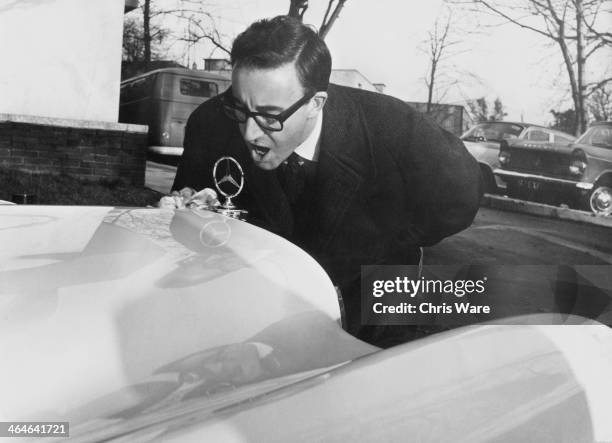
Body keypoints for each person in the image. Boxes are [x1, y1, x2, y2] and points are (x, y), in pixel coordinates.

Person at [171, 15, 483, 346]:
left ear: (315, 104)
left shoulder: (393, 130)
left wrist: (390, 236)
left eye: (269, 116)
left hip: (372, 306)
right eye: (239, 109)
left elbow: (462, 194)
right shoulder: (209, 124)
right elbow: (188, 218)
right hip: (257, 313)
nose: (249, 133)